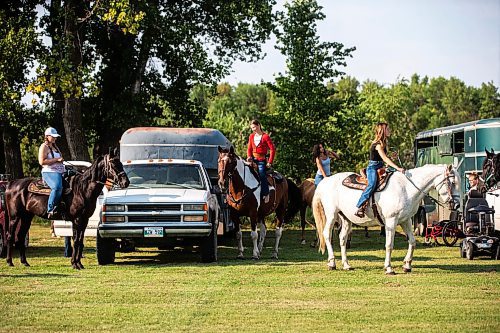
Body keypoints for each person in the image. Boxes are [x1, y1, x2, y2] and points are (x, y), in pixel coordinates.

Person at [355, 122, 405, 218]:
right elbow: (385, 159)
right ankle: (360, 206)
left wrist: (391, 157)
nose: (389, 131)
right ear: (382, 131)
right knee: (372, 184)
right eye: (388, 129)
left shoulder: (384, 143)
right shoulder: (377, 144)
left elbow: (383, 158)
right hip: (373, 168)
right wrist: (397, 167)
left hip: (381, 166)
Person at [38, 127, 65, 218]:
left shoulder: (55, 146)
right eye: (53, 136)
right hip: (49, 171)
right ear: (47, 136)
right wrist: (57, 159)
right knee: (57, 187)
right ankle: (50, 209)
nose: (55, 138)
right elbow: (42, 162)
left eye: (55, 136)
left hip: (60, 170)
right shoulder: (44, 146)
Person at [247, 119, 276, 203]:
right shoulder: (251, 136)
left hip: (261, 160)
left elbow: (272, 149)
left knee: (262, 174)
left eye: (254, 127)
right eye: (252, 128)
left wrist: (270, 162)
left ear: (259, 125)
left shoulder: (265, 136)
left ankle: (266, 193)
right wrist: (249, 156)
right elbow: (249, 149)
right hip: (252, 160)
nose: (253, 129)